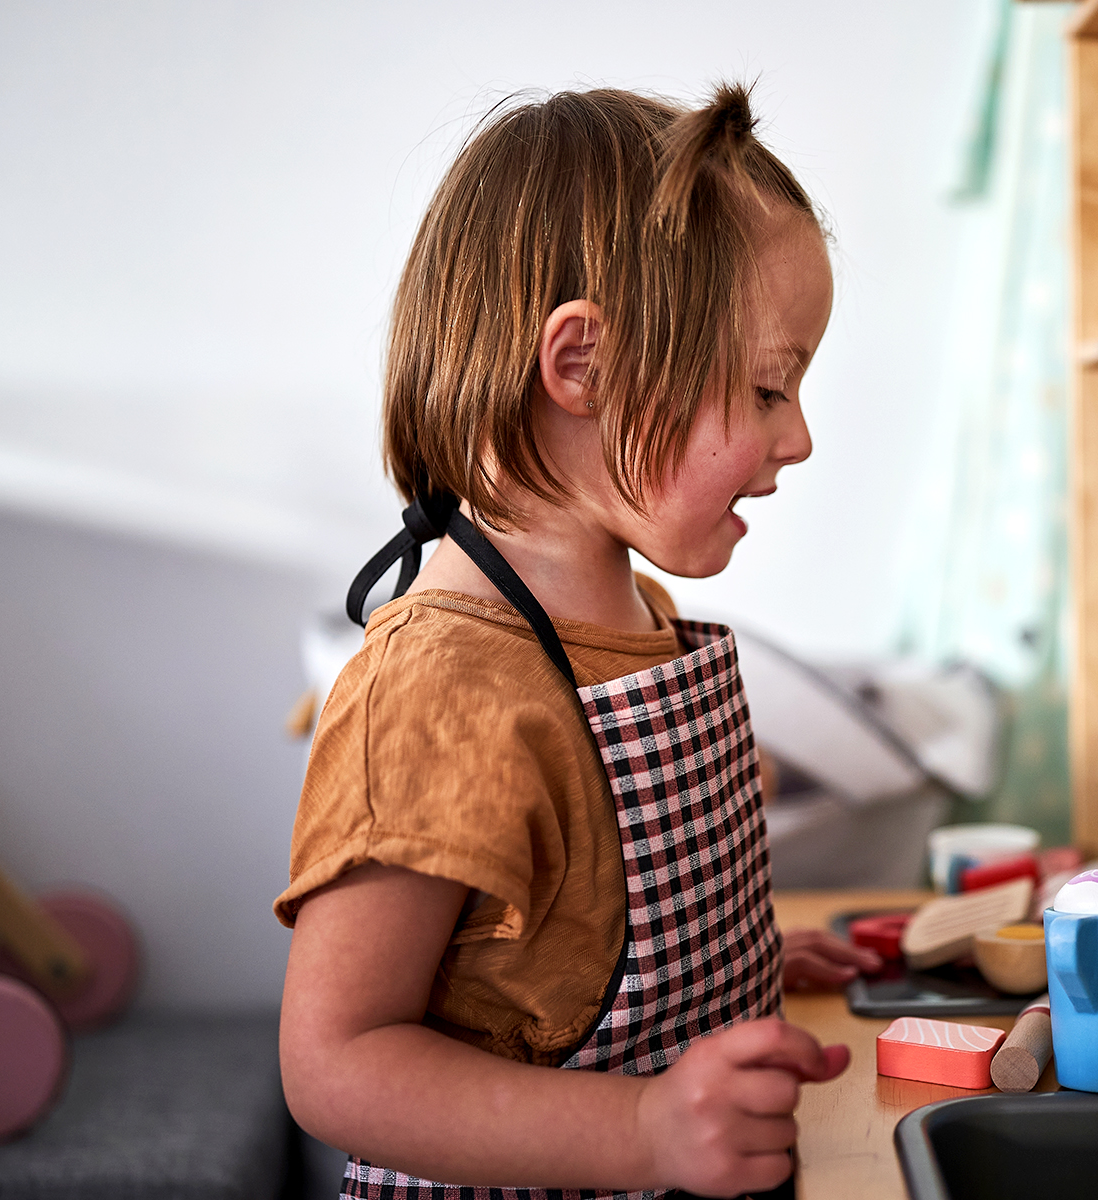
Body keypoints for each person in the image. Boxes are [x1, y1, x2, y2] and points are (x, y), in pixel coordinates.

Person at [277, 84, 883, 1200]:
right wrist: (645, 1125)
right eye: (767, 386)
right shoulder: (439, 687)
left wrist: (728, 981)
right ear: (584, 366)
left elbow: (563, 956)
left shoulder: (633, 612)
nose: (798, 436)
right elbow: (336, 1063)